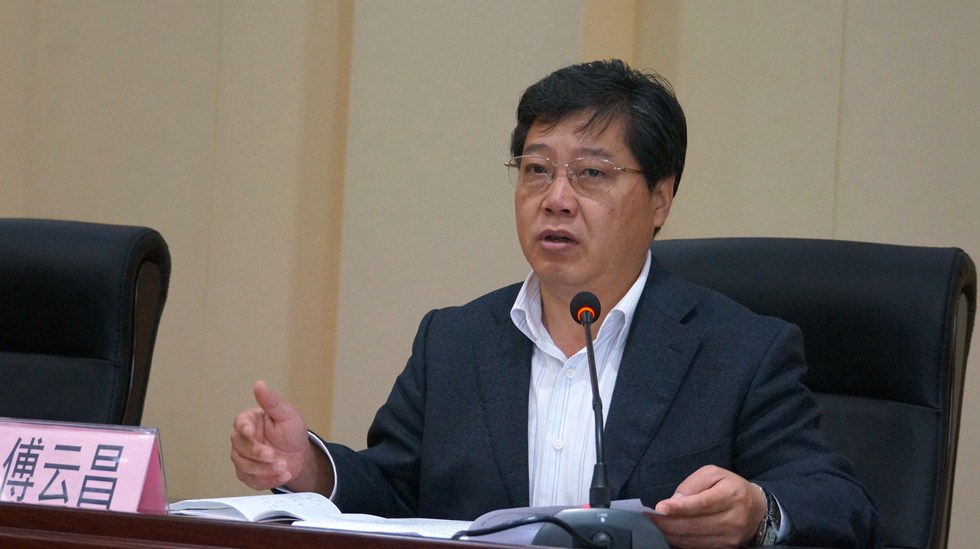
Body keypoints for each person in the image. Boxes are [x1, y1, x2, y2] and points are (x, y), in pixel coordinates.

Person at [230, 59, 881, 548]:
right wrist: (309, 467)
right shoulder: (453, 340)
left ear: (660, 198)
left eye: (592, 173)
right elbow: (394, 494)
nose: (556, 198)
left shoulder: (739, 350)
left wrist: (757, 510)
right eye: (536, 169)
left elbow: (839, 503)